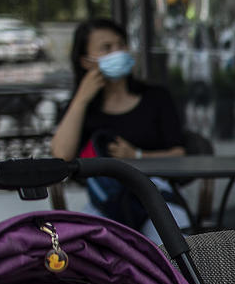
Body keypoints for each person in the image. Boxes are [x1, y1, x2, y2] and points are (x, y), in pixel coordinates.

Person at [50, 17, 191, 242]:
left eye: (121, 45)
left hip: (156, 198)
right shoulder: (81, 108)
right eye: (107, 48)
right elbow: (60, 156)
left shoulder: (156, 98)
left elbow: (179, 154)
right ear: (86, 61)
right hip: (107, 201)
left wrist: (137, 156)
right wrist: (81, 99)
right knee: (90, 250)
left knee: (171, 248)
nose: (118, 52)